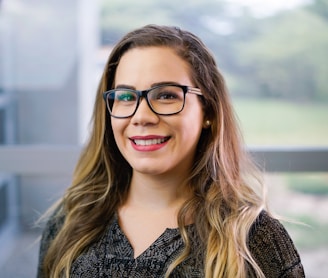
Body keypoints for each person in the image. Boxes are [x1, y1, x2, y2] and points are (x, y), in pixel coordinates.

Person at [37, 24, 305, 278]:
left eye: (166, 95)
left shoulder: (254, 239)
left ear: (208, 111)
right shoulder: (70, 222)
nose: (141, 117)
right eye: (126, 97)